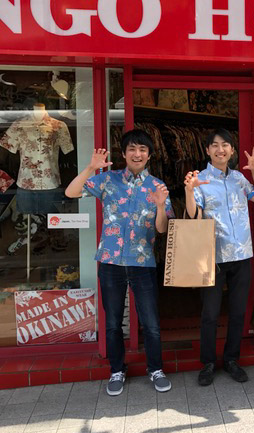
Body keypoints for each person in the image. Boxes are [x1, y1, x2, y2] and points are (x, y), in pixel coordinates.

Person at [65, 129, 173, 396]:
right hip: (110, 262)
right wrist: (91, 168)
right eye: (132, 149)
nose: (137, 154)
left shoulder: (157, 186)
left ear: (150, 155)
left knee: (151, 322)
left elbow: (162, 229)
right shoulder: (108, 180)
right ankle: (116, 370)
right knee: (113, 322)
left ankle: (155, 369)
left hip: (142, 263)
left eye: (143, 150)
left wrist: (161, 206)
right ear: (124, 153)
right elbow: (71, 192)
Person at [184, 128, 254, 386]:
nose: (220, 149)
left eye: (225, 145)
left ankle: (231, 359)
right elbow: (193, 216)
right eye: (215, 145)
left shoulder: (239, 179)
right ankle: (208, 362)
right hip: (214, 256)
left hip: (241, 254)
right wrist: (189, 191)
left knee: (238, 312)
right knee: (210, 313)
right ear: (207, 150)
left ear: (232, 150)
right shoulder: (200, 179)